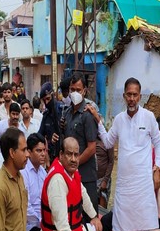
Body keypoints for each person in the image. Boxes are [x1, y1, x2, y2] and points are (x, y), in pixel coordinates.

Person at [90, 78, 160, 231]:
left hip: (143, 184)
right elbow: (107, 142)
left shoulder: (149, 116)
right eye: (128, 95)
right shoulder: (119, 120)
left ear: (140, 96)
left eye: (135, 95)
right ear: (124, 96)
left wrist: (157, 167)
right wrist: (98, 121)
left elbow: (158, 143)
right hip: (125, 186)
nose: (131, 98)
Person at [32, 137, 109, 231]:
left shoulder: (72, 171)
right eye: (69, 154)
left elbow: (83, 194)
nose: (73, 159)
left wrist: (94, 217)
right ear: (61, 155)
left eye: (76, 154)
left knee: (96, 230)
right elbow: (61, 224)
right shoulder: (57, 181)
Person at [61, 71, 99, 210]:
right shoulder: (67, 113)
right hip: (70, 176)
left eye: (78, 90)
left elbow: (91, 148)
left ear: (84, 91)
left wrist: (75, 164)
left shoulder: (87, 115)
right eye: (72, 90)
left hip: (85, 176)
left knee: (88, 218)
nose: (74, 93)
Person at [20, 133, 48, 231]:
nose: (43, 154)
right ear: (29, 152)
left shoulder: (43, 173)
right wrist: (41, 222)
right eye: (38, 151)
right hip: (30, 226)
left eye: (44, 150)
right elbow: (26, 207)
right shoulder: (24, 172)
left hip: (43, 223)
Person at [38, 81, 62, 161]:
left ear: (53, 95)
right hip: (52, 157)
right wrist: (49, 142)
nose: (47, 102)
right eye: (44, 100)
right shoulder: (46, 116)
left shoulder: (63, 111)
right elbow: (39, 136)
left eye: (48, 99)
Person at [96, 134, 114, 209]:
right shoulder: (90, 140)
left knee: (102, 209)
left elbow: (111, 162)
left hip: (102, 179)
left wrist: (105, 180)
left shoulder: (108, 142)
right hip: (92, 179)